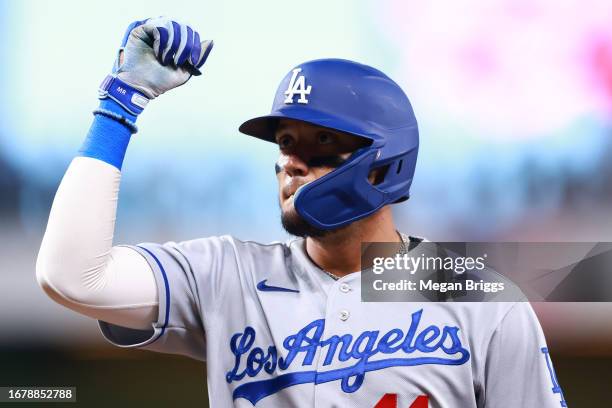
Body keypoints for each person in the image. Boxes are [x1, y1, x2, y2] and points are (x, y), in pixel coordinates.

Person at [36, 17, 567, 408]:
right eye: (286, 142)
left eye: (320, 143)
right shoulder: (227, 275)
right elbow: (72, 277)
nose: (292, 162)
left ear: (382, 166)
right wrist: (120, 105)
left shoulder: (481, 299)